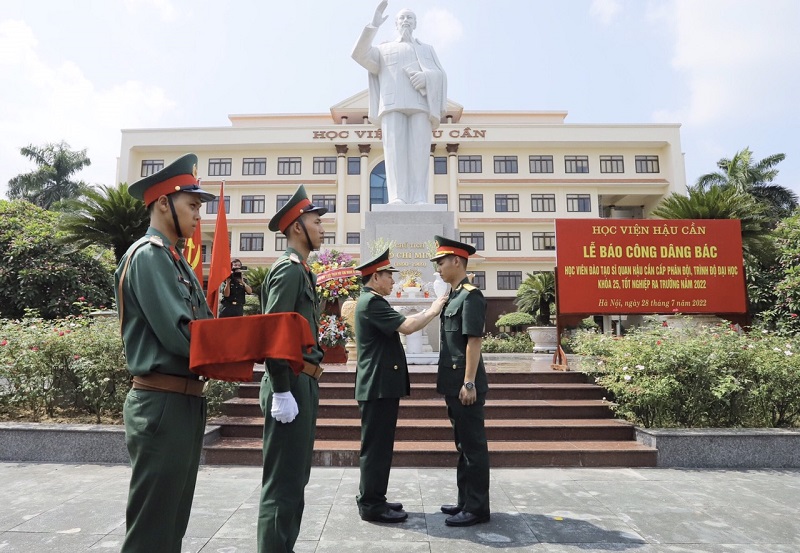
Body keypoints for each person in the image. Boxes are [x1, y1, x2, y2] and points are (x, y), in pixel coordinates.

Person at [114, 153, 216, 552]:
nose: (197, 215)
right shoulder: (149, 255)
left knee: (171, 526)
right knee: (152, 531)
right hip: (162, 402)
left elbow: (205, 323)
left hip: (184, 402)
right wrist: (235, 349)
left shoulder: (176, 260)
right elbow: (182, 335)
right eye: (192, 205)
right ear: (162, 203)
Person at [257, 185, 327, 553]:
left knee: (296, 478)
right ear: (297, 227)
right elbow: (274, 331)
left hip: (303, 382)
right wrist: (282, 389)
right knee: (283, 481)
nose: (322, 229)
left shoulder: (302, 270)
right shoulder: (288, 270)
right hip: (290, 382)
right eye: (316, 222)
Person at [354, 248, 446, 523]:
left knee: (380, 447)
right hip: (378, 386)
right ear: (375, 277)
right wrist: (434, 309)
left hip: (379, 385)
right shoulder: (372, 302)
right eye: (388, 276)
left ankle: (375, 498)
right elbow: (407, 326)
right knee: (376, 448)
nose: (393, 281)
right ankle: (371, 504)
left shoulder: (371, 301)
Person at [352, 0, 447, 205]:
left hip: (420, 105)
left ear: (415, 23)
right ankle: (398, 196)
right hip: (392, 104)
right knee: (394, 152)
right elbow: (359, 55)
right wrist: (373, 25)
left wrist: (426, 77)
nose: (406, 21)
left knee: (420, 152)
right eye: (402, 18)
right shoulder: (384, 48)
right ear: (395, 23)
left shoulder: (427, 49)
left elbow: (440, 74)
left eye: (409, 18)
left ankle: (419, 196)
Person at [430, 235, 491, 527]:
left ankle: (477, 508)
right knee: (462, 445)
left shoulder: (471, 296)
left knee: (473, 447)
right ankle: (465, 501)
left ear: (457, 261)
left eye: (441, 262)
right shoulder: (453, 296)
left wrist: (469, 382)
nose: (438, 268)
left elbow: (473, 341)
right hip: (452, 383)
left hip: (465, 385)